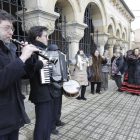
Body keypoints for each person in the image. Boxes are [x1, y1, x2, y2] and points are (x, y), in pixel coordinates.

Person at [0, 10, 39, 140]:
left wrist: (29, 59)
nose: (11, 32)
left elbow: (24, 75)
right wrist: (21, 58)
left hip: (14, 115)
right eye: (6, 28)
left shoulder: (9, 48)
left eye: (11, 28)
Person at [28, 26, 55, 140]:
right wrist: (40, 64)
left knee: (48, 120)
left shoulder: (45, 51)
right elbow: (27, 71)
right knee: (42, 123)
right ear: (37, 37)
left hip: (47, 91)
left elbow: (51, 72)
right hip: (40, 92)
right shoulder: (31, 50)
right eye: (45, 36)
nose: (47, 39)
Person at [47, 44, 66, 135]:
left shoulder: (60, 60)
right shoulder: (48, 60)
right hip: (53, 88)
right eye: (55, 50)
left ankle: (57, 120)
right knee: (54, 108)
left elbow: (62, 71)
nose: (57, 52)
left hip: (60, 86)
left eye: (58, 50)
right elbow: (48, 75)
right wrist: (55, 84)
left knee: (58, 106)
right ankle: (52, 127)